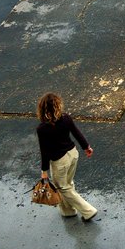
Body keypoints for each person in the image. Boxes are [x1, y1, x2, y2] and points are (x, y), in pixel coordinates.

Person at [36, 92, 98, 221]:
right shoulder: (66, 118)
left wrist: (44, 171)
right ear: (58, 106)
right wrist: (86, 147)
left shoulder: (42, 128)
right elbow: (77, 133)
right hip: (73, 154)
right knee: (68, 183)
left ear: (42, 109)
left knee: (62, 187)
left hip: (60, 161)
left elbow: (44, 150)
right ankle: (68, 211)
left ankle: (88, 211)